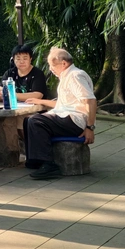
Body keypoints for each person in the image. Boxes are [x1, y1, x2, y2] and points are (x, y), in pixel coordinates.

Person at [24, 48, 97, 179]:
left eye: (52, 65)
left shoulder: (75, 76)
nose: (51, 69)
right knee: (28, 120)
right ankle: (35, 160)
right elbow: (63, 104)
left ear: (63, 63)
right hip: (66, 116)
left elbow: (90, 101)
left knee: (36, 121)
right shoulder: (67, 76)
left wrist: (90, 127)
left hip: (75, 120)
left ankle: (49, 164)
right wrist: (40, 101)